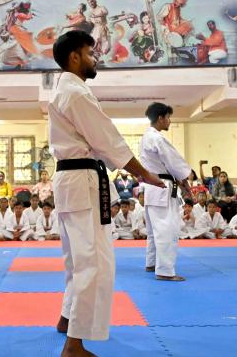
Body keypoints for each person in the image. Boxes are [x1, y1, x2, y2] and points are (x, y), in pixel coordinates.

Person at [50, 30, 165, 356]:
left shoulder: (64, 90)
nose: (95, 58)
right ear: (74, 56)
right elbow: (108, 140)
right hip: (82, 180)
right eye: (90, 52)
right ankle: (75, 344)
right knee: (95, 263)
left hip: (71, 180)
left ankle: (66, 318)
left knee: (76, 258)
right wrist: (143, 174)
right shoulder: (77, 94)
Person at [140, 102, 192, 280]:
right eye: (168, 117)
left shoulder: (146, 137)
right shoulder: (157, 138)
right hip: (162, 187)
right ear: (160, 118)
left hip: (152, 188)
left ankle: (152, 263)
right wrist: (186, 180)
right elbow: (174, 162)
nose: (170, 121)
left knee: (155, 231)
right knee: (166, 230)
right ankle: (165, 271)